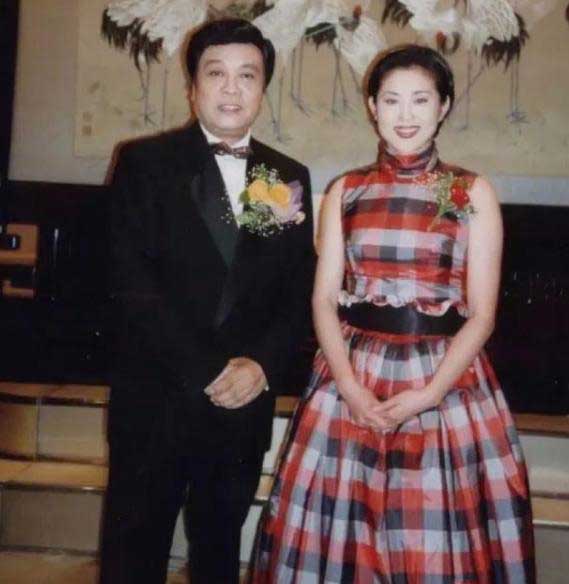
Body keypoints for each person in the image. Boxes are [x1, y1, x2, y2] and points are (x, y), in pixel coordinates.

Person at [249, 44, 535, 583]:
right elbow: (323, 300)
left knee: (431, 540)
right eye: (391, 100)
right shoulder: (346, 190)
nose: (406, 115)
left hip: (443, 382)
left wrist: (429, 395)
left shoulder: (469, 191)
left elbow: (482, 315)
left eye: (420, 100)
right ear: (372, 107)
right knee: (342, 535)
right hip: (351, 380)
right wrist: (350, 388)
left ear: (443, 106)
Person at [99, 18, 315, 584]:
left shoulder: (286, 176)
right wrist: (208, 368)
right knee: (133, 556)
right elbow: (129, 284)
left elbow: (297, 293)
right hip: (157, 398)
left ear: (263, 88)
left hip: (241, 407)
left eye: (248, 75)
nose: (232, 89)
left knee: (220, 555)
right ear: (192, 86)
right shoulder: (144, 163)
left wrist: (261, 365)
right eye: (216, 73)